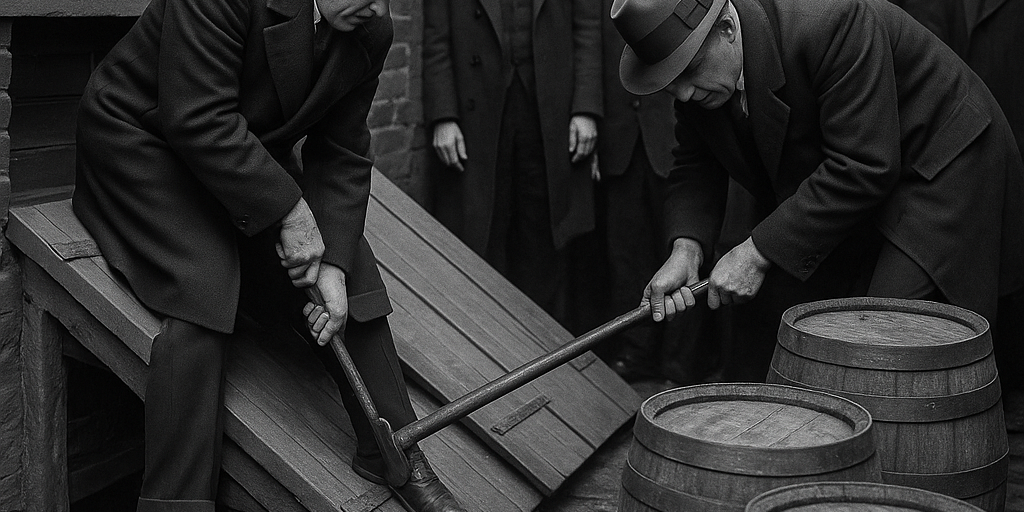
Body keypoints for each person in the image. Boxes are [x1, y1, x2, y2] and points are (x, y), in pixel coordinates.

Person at [71, 0, 465, 510]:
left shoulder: (370, 27)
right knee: (205, 286)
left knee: (353, 266)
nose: (378, 7)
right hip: (144, 141)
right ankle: (176, 500)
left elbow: (342, 150)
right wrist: (291, 212)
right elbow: (196, 116)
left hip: (242, 154)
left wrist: (335, 263)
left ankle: (394, 450)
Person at [611, 0, 1024, 381]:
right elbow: (696, 162)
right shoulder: (697, 73)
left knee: (884, 339)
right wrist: (687, 250)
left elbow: (863, 165)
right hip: (858, 176)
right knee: (776, 324)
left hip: (942, 162)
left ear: (727, 29)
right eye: (672, 83)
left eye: (690, 71)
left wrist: (755, 253)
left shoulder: (830, 20)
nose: (684, 93)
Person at [422, 0, 603, 330]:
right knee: (483, 233)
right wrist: (443, 115)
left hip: (549, 112)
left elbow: (588, 29)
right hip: (478, 114)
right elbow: (436, 39)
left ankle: (543, 342)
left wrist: (585, 108)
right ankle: (487, 340)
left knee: (544, 237)